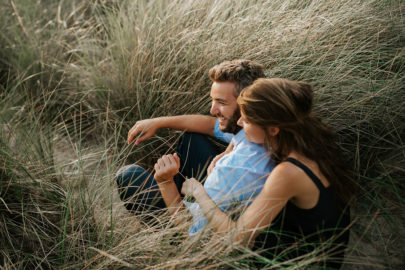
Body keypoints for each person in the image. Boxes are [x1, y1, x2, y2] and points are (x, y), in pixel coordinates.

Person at [154, 78, 353, 268]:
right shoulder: (304, 136)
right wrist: (227, 150)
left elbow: (236, 239)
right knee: (193, 141)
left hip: (298, 260)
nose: (239, 123)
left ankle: (176, 236)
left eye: (247, 119)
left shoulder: (288, 172)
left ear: (273, 129)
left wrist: (198, 191)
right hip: (303, 235)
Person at [116, 60, 274, 227]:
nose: (213, 110)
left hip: (191, 223)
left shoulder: (236, 169)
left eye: (222, 102)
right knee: (191, 138)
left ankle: (166, 216)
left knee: (128, 176)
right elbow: (208, 124)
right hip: (209, 195)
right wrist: (157, 122)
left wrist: (165, 182)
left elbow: (189, 233)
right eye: (213, 101)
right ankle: (181, 193)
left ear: (246, 104)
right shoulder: (256, 130)